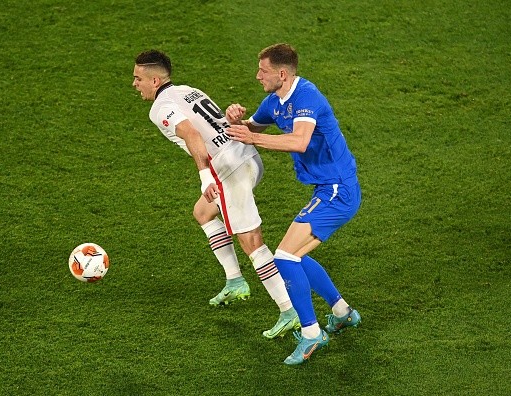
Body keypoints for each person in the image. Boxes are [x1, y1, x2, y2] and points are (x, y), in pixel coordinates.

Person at [132, 49, 299, 339]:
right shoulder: (189, 90)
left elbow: (193, 135)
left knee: (252, 242)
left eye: (138, 79)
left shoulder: (159, 108)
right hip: (247, 157)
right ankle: (235, 281)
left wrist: (204, 176)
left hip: (229, 170)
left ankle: (289, 311)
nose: (135, 84)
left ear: (155, 80)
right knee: (203, 211)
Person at [226, 43, 362, 365]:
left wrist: (254, 138)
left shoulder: (307, 96)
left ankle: (312, 334)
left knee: (284, 257)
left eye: (263, 71)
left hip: (338, 189)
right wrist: (234, 119)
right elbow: (248, 130)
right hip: (326, 189)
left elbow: (299, 141)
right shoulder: (274, 102)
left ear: (282, 73)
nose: (258, 76)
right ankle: (342, 313)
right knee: (294, 255)